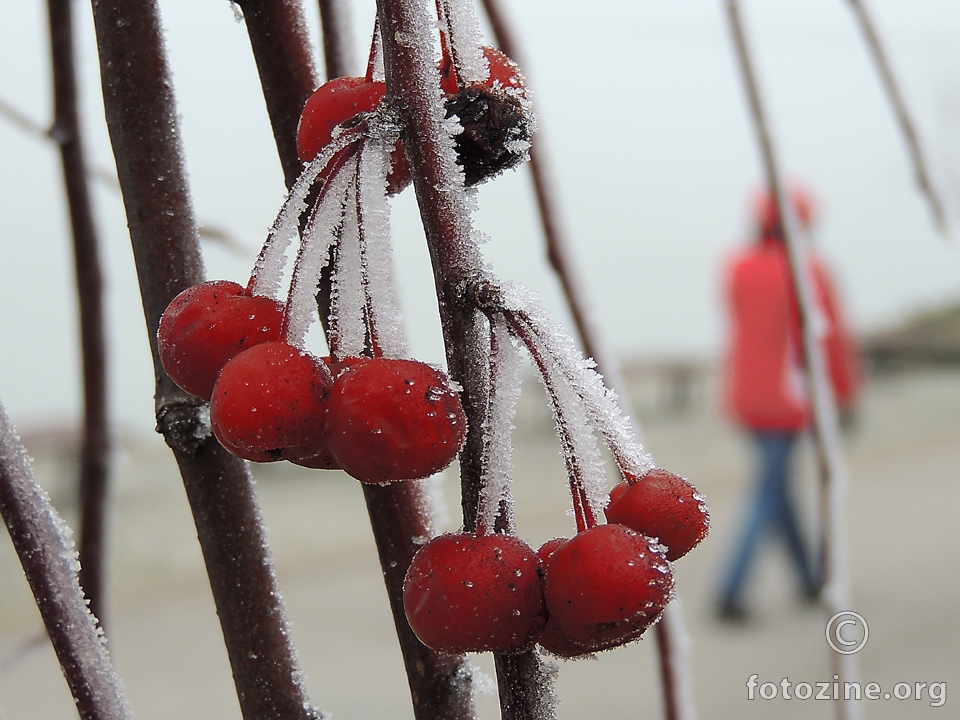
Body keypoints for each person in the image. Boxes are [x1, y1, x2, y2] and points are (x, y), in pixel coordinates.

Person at [716, 186, 860, 621]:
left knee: (778, 488)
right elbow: (829, 341)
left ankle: (809, 579)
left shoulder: (737, 267)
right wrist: (845, 396)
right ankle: (730, 589)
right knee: (769, 492)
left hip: (744, 397)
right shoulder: (809, 271)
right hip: (788, 402)